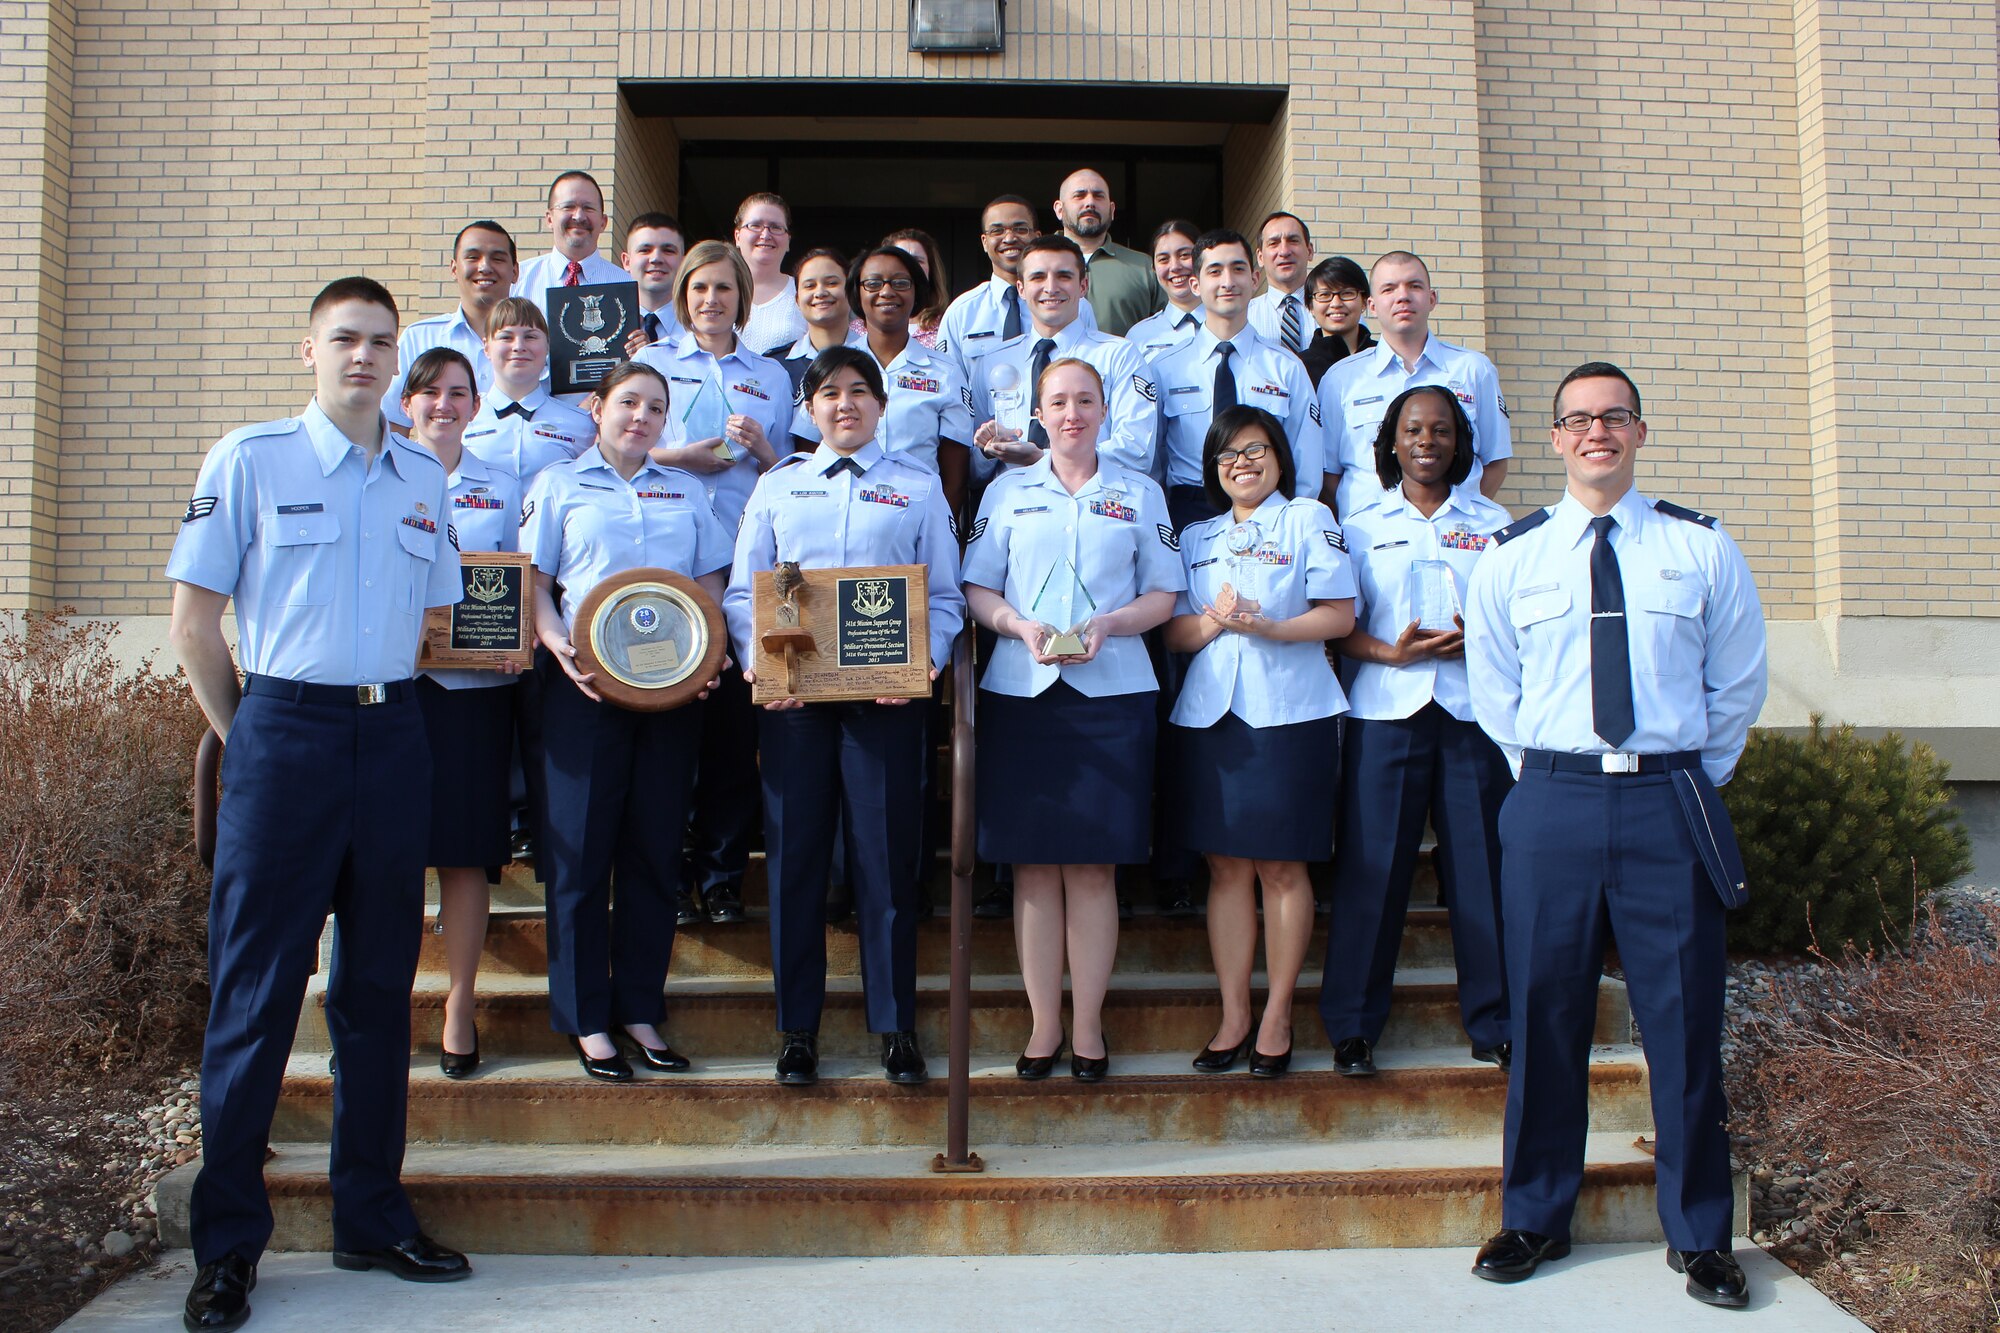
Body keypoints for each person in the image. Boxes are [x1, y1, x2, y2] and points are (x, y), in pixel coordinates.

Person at [167, 277, 471, 1332]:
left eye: (381, 342)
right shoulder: (249, 459)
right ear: (309, 350)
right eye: (345, 338)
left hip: (391, 736)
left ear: (399, 358)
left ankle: (370, 1215)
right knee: (255, 995)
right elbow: (196, 622)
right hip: (281, 734)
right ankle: (228, 1246)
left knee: (378, 990)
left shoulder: (420, 473)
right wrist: (246, 727)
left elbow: (435, 615)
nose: (364, 357)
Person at [1463, 361, 1766, 1308]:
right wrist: (1557, 778)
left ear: (1639, 431)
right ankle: (1535, 1214)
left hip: (1668, 801)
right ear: (1553, 438)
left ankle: (1701, 1234)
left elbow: (1738, 685)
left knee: (1683, 1024)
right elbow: (1495, 695)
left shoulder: (1701, 549)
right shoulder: (1511, 557)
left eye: (1614, 417)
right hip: (1551, 799)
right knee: (1545, 1018)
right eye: (1578, 419)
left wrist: (1681, 778)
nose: (1596, 432)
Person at [724, 346, 967, 1088]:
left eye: (861, 391)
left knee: (886, 866)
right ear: (809, 407)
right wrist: (761, 665)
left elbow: (946, 596)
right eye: (829, 393)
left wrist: (924, 663)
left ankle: (895, 1024)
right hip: (796, 704)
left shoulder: (918, 486)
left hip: (884, 705)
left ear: (883, 405)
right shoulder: (778, 485)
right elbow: (744, 594)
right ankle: (798, 1026)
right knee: (796, 864)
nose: (845, 404)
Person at [963, 358, 1182, 1082]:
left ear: (1104, 407)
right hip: (1023, 694)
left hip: (1113, 695)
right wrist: (1017, 625)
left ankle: (1087, 1024)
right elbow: (977, 587)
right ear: (1037, 409)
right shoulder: (1007, 490)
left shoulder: (1139, 490)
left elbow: (1165, 593)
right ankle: (1043, 1024)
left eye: (1085, 399)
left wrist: (1114, 622)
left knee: (1091, 869)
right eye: (1057, 401)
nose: (1072, 413)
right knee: (1032, 869)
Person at [521, 359, 732, 1082]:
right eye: (628, 402)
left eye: (655, 407)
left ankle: (640, 1006)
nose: (640, 416)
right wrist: (555, 644)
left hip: (670, 697)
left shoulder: (687, 490)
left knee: (653, 851)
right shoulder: (558, 485)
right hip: (582, 692)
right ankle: (586, 1017)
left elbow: (710, 585)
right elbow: (537, 583)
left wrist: (709, 659)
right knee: (580, 856)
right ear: (597, 407)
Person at [1319, 384, 1512, 1080]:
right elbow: (1342, 628)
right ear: (1391, 442)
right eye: (1412, 430)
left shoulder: (1494, 523)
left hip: (1471, 717)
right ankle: (1353, 1026)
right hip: (1386, 713)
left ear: (1460, 442)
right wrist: (1392, 653)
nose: (1426, 441)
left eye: (1440, 429)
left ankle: (1495, 1022)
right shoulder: (1361, 521)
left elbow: (1514, 624)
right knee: (1372, 872)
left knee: (1482, 873)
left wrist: (1480, 640)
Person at [1166, 406, 1355, 1078]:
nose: (1241, 464)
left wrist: (1268, 625)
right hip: (1213, 716)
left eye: (1255, 450)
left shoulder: (1309, 519)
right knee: (1226, 869)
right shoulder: (1196, 535)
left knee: (1282, 867)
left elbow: (1339, 614)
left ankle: (1277, 1012)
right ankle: (1233, 1012)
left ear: (1279, 455)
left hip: (1290, 711)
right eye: (1227, 456)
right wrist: (1217, 620)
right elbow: (1177, 634)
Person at [635, 238, 792, 925]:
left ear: (742, 297)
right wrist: (680, 455)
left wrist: (763, 452)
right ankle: (668, 873)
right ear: (683, 295)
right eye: (699, 289)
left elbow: (790, 474)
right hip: (666, 570)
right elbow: (622, 448)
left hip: (743, 568)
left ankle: (724, 875)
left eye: (724, 289)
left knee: (733, 732)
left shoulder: (773, 374)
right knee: (670, 733)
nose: (711, 300)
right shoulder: (651, 362)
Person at [400, 348, 526, 1082]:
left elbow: (517, 577)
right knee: (384, 851)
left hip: (473, 697)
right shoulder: (377, 476)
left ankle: (459, 1004)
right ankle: (380, 1001)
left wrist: (512, 645)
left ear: (476, 406)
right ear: (406, 403)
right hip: (392, 690)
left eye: (457, 393)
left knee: (465, 851)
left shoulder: (503, 487)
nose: (444, 405)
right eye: (429, 392)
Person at [1149, 229, 1324, 531]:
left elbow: (1305, 461)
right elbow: (1153, 461)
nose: (1228, 282)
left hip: (1268, 512)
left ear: (1255, 280)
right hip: (1188, 512)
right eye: (1215, 271)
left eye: (1238, 269)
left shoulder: (1285, 367)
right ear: (1196, 284)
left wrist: (1289, 524)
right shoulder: (1165, 368)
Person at [1319, 250, 1512, 518]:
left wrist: (1455, 515)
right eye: (1389, 289)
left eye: (1414, 286)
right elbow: (1329, 474)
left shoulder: (1473, 370)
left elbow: (1495, 462)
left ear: (1432, 298)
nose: (1402, 296)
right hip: (1368, 542)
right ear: (1372, 306)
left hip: (1456, 538)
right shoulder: (1340, 379)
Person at [790, 246, 972, 513]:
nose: (886, 292)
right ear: (857, 292)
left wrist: (940, 532)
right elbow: (807, 453)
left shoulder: (945, 372)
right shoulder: (829, 366)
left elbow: (955, 478)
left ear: (916, 291)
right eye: (873, 283)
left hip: (916, 518)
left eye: (900, 283)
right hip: (839, 516)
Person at [967, 235, 1157, 479]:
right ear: (1021, 289)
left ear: (1083, 286)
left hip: (1096, 503)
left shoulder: (1118, 355)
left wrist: (1043, 459)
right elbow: (972, 471)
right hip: (1015, 508)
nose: (1051, 287)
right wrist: (988, 450)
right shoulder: (993, 362)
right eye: (1038, 277)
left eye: (1064, 276)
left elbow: (1137, 454)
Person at [382, 221, 519, 428]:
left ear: (515, 271)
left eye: (498, 258)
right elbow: (394, 423)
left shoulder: (539, 342)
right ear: (454, 268)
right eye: (473, 257)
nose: (485, 267)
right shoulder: (419, 338)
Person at [461, 297, 597, 483]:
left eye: (530, 336)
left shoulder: (581, 425)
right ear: (486, 347)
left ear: (547, 345)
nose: (519, 346)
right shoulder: (461, 418)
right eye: (506, 337)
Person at [936, 194, 1038, 377]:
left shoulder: (1064, 306)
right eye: (997, 231)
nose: (1009, 238)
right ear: (984, 242)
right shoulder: (961, 312)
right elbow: (947, 386)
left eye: (1020, 229)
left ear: (1037, 237)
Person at [1052, 167, 1161, 335]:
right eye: (1079, 195)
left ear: (1112, 210)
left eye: (1098, 195)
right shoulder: (1032, 262)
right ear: (1059, 209)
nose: (1090, 202)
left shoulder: (1143, 266)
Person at [513, 171, 625, 310]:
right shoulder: (517, 282)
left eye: (588, 208)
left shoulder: (626, 286)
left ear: (603, 222)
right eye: (568, 207)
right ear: (549, 219)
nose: (579, 216)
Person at [779, 247, 864, 401]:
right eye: (810, 286)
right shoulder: (777, 366)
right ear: (797, 299)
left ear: (851, 292)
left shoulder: (873, 358)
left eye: (831, 283)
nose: (820, 293)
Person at [733, 192, 809, 356]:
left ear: (788, 240)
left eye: (776, 227)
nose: (766, 235)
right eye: (755, 225)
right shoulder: (716, 292)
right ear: (737, 236)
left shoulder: (804, 293)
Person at [1122, 219, 1205, 362]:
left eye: (1184, 255)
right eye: (1163, 259)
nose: (1174, 267)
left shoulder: (1236, 323)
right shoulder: (1139, 336)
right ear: (1153, 269)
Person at [1297, 256, 1375, 388]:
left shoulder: (1385, 358)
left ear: (1364, 301)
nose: (1336, 303)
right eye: (1324, 295)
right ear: (1310, 306)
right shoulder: (1299, 368)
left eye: (1347, 293)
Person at [1247, 211, 1316, 355]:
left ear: (1309, 251)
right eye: (1273, 243)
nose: (1284, 251)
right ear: (1260, 257)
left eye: (1293, 240)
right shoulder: (1245, 317)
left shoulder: (1336, 310)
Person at [620, 212, 688, 354]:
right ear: (627, 262)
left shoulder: (701, 331)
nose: (656, 258)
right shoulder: (608, 326)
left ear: (683, 262)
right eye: (645, 250)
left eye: (668, 250)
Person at [884, 226, 950, 349]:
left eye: (918, 261)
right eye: (900, 259)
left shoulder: (948, 326)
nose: (909, 267)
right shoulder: (859, 330)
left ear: (931, 270)